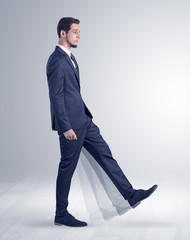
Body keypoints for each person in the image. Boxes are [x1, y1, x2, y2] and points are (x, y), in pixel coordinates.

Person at [46, 17, 157, 227]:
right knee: (67, 167)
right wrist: (65, 126)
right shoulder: (56, 60)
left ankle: (130, 194)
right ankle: (61, 213)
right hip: (71, 125)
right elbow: (56, 96)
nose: (79, 35)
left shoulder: (71, 58)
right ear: (63, 33)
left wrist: (83, 118)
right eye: (75, 31)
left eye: (79, 31)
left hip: (84, 120)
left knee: (105, 155)